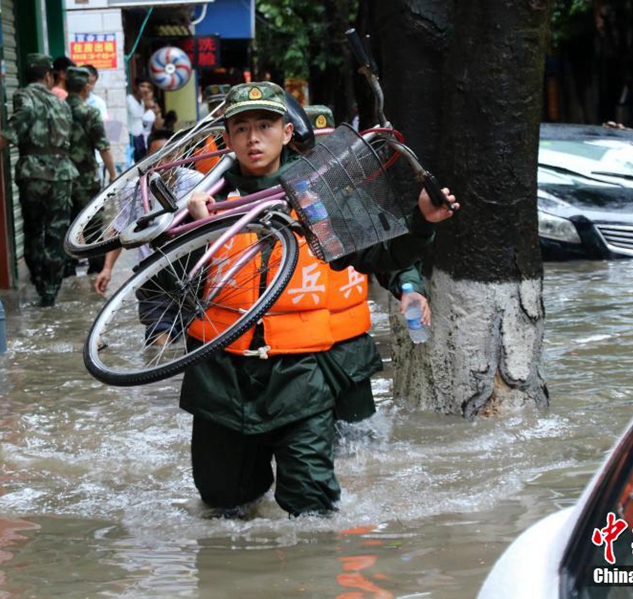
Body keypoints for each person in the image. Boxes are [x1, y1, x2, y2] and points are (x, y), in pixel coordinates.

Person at [182, 82, 457, 517]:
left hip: (307, 367)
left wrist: (420, 227)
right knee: (223, 502)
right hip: (223, 372)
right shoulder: (201, 200)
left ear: (288, 132)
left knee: (311, 503)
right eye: (243, 128)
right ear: (228, 138)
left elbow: (380, 253)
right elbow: (162, 287)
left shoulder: (321, 199)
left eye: (266, 126)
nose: (254, 138)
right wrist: (200, 229)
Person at [0, 53, 78, 307]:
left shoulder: (24, 95)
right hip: (62, 174)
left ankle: (40, 284)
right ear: (48, 75)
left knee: (34, 230)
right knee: (57, 232)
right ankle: (51, 291)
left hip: (34, 173)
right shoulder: (61, 102)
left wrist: (4, 138)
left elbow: (25, 112)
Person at [93, 128, 203, 296]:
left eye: (169, 155)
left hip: (189, 270)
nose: (162, 164)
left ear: (179, 155)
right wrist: (107, 269)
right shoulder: (133, 189)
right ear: (148, 157)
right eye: (156, 156)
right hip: (150, 273)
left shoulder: (197, 182)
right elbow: (119, 230)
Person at [65, 67, 117, 276]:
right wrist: (113, 174)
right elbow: (103, 146)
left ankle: (67, 269)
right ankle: (97, 270)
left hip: (61, 178)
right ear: (86, 87)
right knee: (92, 224)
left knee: (65, 223)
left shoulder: (58, 109)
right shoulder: (90, 112)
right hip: (86, 176)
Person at [127, 77, 154, 162]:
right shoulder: (128, 100)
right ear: (136, 87)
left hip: (140, 138)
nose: (145, 89)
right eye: (142, 86)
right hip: (130, 139)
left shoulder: (142, 102)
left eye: (148, 87)